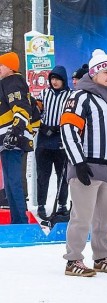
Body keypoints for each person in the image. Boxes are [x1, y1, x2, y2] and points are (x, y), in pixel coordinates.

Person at [60, 49, 107, 277]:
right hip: (87, 166)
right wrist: (78, 162)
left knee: (105, 218)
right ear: (93, 73)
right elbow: (68, 130)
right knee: (81, 217)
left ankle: (101, 257)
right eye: (105, 72)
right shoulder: (80, 97)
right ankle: (73, 260)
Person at [0, 51, 35, 224]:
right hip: (8, 140)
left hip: (13, 139)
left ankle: (21, 221)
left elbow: (21, 108)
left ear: (11, 68)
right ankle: (17, 220)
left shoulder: (12, 82)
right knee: (10, 183)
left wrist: (16, 131)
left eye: (1, 65)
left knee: (13, 183)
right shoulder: (8, 83)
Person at [35, 65, 71, 220]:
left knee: (62, 175)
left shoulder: (70, 96)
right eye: (52, 79)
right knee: (43, 175)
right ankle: (41, 204)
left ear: (64, 80)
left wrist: (58, 128)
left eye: (58, 79)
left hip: (61, 141)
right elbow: (36, 112)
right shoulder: (44, 93)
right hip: (44, 141)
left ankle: (62, 204)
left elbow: (72, 115)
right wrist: (42, 126)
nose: (55, 82)